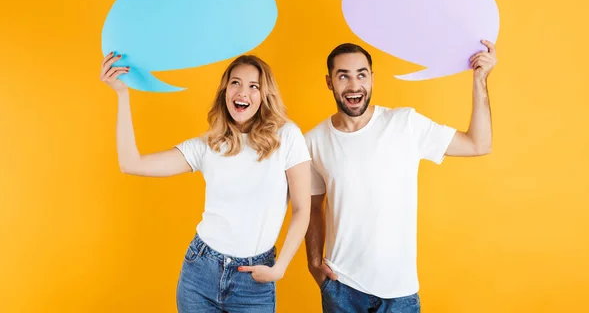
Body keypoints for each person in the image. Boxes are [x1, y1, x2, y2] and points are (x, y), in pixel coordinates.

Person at [100, 53, 312, 313]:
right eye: (235, 83)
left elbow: (302, 208)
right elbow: (131, 164)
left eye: (253, 86)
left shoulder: (287, 137)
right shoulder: (207, 146)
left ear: (264, 95)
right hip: (200, 272)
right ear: (225, 91)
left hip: (254, 280)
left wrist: (280, 268)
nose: (242, 92)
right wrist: (122, 95)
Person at [304, 41, 498, 312]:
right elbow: (313, 206)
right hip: (341, 289)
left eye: (361, 74)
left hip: (400, 294)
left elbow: (479, 144)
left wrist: (480, 79)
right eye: (343, 76)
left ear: (372, 78)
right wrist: (314, 263)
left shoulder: (404, 124)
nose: (353, 85)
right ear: (329, 81)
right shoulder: (313, 141)